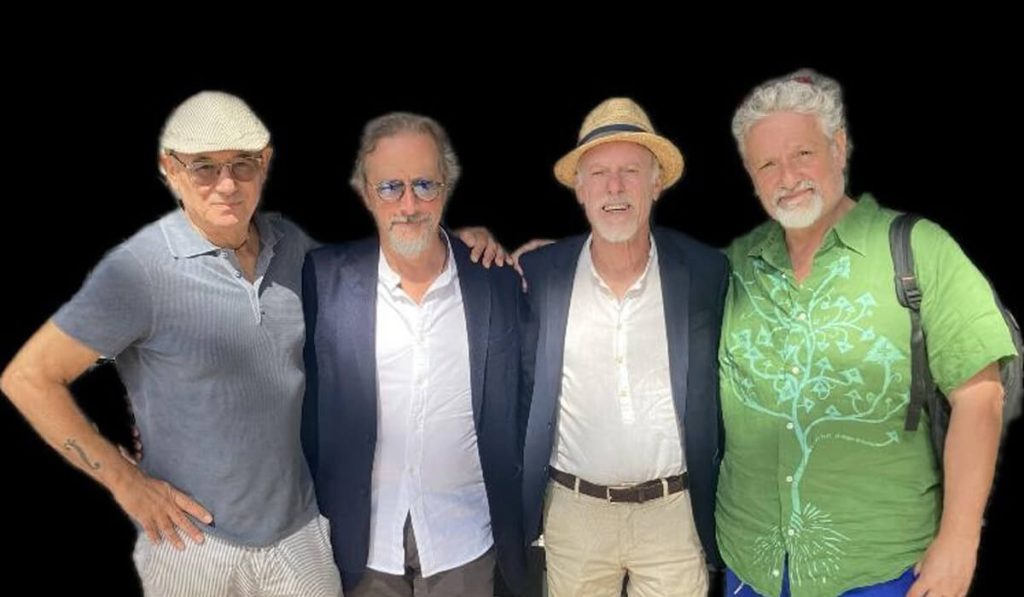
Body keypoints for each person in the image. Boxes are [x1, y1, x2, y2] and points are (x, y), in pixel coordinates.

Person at [0, 91, 503, 596]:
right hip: (192, 544)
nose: (226, 184)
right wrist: (124, 481)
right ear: (169, 169)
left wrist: (457, 245)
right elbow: (28, 378)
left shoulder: (293, 250)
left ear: (265, 163)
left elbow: (380, 265)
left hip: (301, 540)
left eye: (242, 164)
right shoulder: (137, 271)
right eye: (203, 167)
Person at [716, 69, 1016, 597]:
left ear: (839, 147)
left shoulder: (919, 250)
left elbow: (979, 396)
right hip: (751, 567)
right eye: (767, 164)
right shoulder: (731, 267)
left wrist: (960, 539)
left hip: (881, 569)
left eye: (803, 153)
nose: (788, 177)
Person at [301, 112, 527, 596]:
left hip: (464, 539)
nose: (409, 204)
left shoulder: (496, 282)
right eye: (391, 187)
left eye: (425, 185)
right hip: (361, 544)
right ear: (365, 193)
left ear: (446, 187)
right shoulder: (323, 279)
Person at [518, 97, 728, 596]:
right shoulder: (540, 274)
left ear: (656, 183)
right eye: (599, 174)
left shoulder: (705, 271)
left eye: (630, 171)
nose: (614, 187)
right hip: (575, 512)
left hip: (673, 514)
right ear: (580, 189)